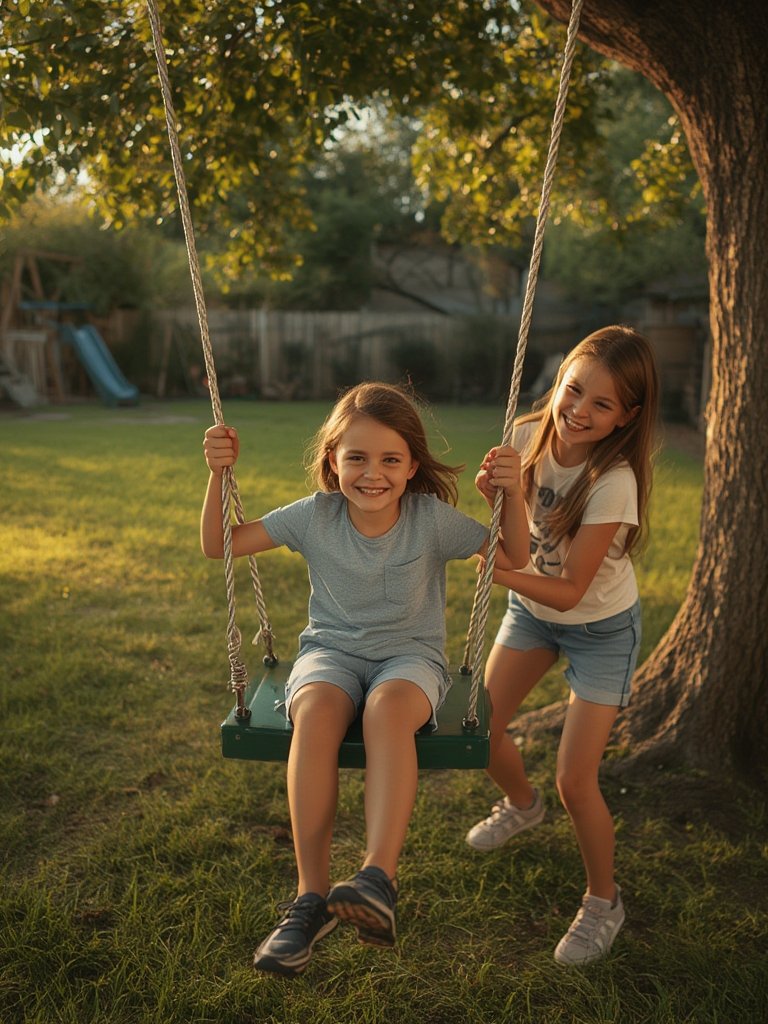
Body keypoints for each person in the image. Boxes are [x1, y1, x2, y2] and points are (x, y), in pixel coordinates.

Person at [201, 382, 525, 977]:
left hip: (411, 660)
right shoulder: (315, 516)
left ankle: (377, 877)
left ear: (411, 468)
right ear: (332, 461)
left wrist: (515, 493)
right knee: (317, 711)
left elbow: (513, 557)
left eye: (389, 460)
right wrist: (219, 475)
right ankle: (310, 900)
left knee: (386, 712)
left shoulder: (431, 520)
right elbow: (220, 545)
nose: (371, 473)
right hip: (330, 654)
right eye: (356, 457)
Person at [467, 325, 659, 966]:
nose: (579, 411)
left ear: (626, 415)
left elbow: (574, 589)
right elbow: (521, 548)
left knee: (577, 780)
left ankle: (604, 903)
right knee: (479, 727)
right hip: (532, 611)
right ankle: (522, 806)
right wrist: (502, 496)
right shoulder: (525, 437)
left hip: (601, 626)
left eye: (601, 405)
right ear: (559, 382)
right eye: (573, 391)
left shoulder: (615, 480)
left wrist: (498, 571)